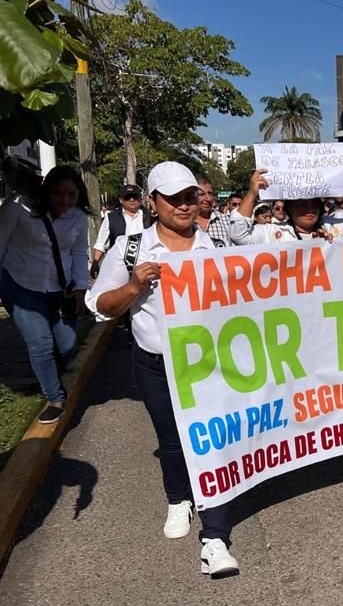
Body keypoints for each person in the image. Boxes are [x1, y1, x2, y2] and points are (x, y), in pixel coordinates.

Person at [85, 161, 238, 577]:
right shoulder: (131, 248)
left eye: (190, 197)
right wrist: (134, 287)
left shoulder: (216, 250)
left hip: (209, 364)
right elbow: (99, 306)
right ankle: (178, 498)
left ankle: (216, 536)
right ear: (153, 203)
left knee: (212, 441)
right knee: (171, 440)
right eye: (173, 199)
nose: (184, 206)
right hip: (154, 363)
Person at [0, 166, 92, 423]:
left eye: (71, 195)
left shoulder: (78, 217)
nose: (65, 201)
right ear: (47, 191)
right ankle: (54, 397)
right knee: (40, 342)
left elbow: (79, 252)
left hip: (58, 290)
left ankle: (46, 373)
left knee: (67, 344)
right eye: (58, 194)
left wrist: (80, 288)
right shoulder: (18, 208)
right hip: (20, 286)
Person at [91, 184, 148, 276]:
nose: (132, 200)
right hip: (119, 267)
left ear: (140, 199)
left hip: (145, 265)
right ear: (121, 200)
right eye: (128, 197)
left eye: (135, 197)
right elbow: (101, 243)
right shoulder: (111, 218)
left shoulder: (150, 217)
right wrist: (95, 262)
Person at [194, 173, 231, 247]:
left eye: (210, 194)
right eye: (201, 194)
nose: (208, 199)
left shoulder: (226, 221)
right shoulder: (183, 223)